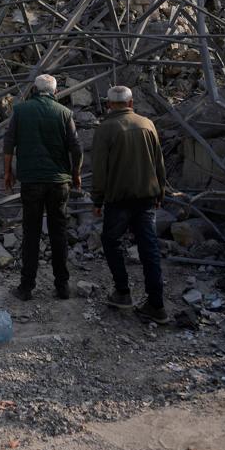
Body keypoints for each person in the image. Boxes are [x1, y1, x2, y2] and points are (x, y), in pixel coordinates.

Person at [90, 85, 170, 324]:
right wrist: (160, 192)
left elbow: (99, 171)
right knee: (149, 249)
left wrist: (97, 199)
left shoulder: (106, 129)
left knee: (111, 242)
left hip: (119, 199)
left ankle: (123, 291)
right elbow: (159, 161)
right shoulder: (147, 124)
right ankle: (157, 304)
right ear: (131, 103)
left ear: (108, 105)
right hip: (146, 197)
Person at [3, 73, 82, 300]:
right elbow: (76, 147)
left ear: (35, 90)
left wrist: (7, 172)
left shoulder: (20, 110)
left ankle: (26, 287)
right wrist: (75, 174)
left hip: (31, 181)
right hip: (59, 183)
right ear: (55, 92)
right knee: (58, 233)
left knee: (31, 234)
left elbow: (9, 143)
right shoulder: (65, 113)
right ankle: (62, 286)